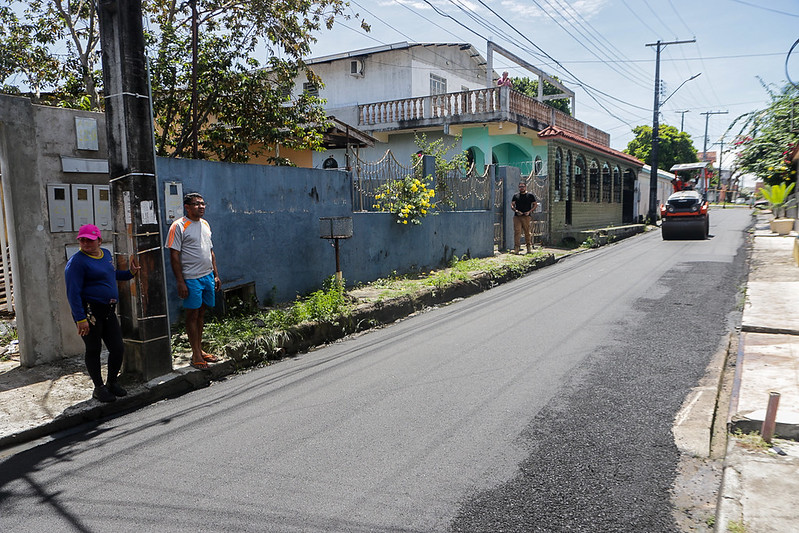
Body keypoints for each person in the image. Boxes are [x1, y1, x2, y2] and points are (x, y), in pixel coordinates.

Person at [64, 224, 141, 403]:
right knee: (94, 349)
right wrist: (80, 319)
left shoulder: (105, 254)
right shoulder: (76, 263)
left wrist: (130, 273)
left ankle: (112, 382)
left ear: (99, 240)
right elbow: (73, 293)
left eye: (89, 240)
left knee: (117, 348)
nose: (85, 243)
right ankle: (98, 388)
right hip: (89, 312)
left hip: (108, 311)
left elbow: (111, 275)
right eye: (82, 240)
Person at [167, 192, 220, 370]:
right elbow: (174, 256)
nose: (201, 207)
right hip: (191, 278)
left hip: (207, 276)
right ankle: (195, 353)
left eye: (203, 203)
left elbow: (210, 251)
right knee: (192, 314)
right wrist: (180, 281)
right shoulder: (179, 226)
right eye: (197, 204)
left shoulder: (205, 224)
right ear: (187, 207)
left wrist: (215, 274)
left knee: (202, 313)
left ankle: (199, 348)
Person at [511, 180, 538, 254]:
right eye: (520, 187)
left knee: (527, 232)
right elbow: (512, 204)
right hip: (517, 217)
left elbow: (535, 204)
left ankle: (528, 248)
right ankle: (516, 249)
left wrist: (529, 211)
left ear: (525, 187)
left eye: (523, 186)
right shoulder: (516, 196)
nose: (521, 188)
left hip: (526, 216)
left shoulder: (530, 195)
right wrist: (516, 211)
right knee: (517, 232)